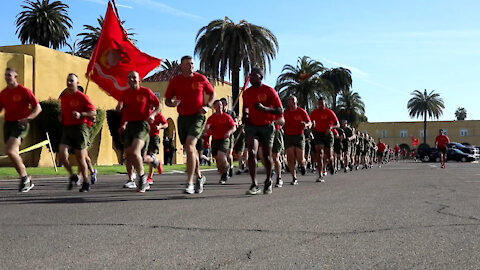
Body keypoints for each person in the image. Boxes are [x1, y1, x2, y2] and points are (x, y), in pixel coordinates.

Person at [165, 55, 215, 194]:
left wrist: (207, 106)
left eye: (192, 63)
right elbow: (167, 100)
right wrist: (172, 103)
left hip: (197, 117)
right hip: (182, 118)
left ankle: (190, 182)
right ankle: (199, 177)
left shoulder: (200, 78)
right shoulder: (175, 81)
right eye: (187, 64)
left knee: (190, 145)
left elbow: (212, 94)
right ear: (181, 66)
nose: (191, 66)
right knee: (190, 149)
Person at [242, 68, 283, 195]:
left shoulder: (269, 91)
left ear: (261, 77)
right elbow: (245, 108)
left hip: (266, 126)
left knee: (266, 155)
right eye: (250, 76)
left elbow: (280, 110)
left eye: (254, 76)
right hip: (252, 126)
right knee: (252, 153)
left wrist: (264, 109)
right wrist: (245, 116)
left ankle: (268, 180)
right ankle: (254, 183)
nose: (252, 78)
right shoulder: (246, 93)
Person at [0, 67, 42, 192]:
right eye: (6, 75)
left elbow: (38, 108)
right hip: (8, 124)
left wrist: (28, 118)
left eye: (9, 75)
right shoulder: (3, 93)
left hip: (21, 124)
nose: (7, 77)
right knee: (12, 153)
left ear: (15, 77)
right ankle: (25, 178)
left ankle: (24, 178)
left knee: (10, 150)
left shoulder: (24, 91)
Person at [119, 71, 161, 193]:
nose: (131, 80)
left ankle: (142, 178)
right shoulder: (125, 94)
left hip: (142, 125)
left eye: (134, 78)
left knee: (135, 151)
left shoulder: (146, 92)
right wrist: (123, 124)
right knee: (132, 156)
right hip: (130, 126)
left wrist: (153, 115)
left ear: (139, 80)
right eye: (129, 78)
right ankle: (153, 160)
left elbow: (158, 105)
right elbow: (124, 111)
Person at [59, 73, 96, 192]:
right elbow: (63, 111)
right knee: (62, 156)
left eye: (71, 81)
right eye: (68, 80)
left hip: (80, 128)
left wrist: (81, 114)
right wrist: (61, 116)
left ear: (77, 83)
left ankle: (85, 181)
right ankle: (72, 175)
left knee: (81, 158)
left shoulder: (82, 97)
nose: (69, 83)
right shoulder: (64, 97)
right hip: (67, 128)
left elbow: (93, 113)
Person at [204, 100, 236, 184]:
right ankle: (224, 173)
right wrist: (207, 130)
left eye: (221, 105)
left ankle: (224, 175)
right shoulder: (211, 118)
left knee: (221, 156)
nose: (220, 106)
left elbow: (234, 127)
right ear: (214, 107)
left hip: (224, 139)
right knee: (218, 161)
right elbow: (207, 127)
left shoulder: (227, 116)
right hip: (215, 140)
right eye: (218, 105)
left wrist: (229, 132)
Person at [283, 96, 311, 186]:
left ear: (296, 102)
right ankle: (294, 177)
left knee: (300, 158)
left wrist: (305, 124)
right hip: (288, 136)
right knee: (290, 157)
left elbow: (309, 122)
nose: (291, 103)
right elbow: (280, 121)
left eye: (293, 101)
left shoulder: (301, 111)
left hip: (299, 136)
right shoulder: (285, 112)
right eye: (290, 101)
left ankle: (303, 164)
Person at [310, 97, 339, 182]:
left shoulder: (329, 112)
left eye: (322, 104)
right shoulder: (314, 113)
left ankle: (332, 165)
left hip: (327, 134)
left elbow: (338, 124)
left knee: (329, 155)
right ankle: (320, 174)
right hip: (318, 134)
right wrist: (311, 127)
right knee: (319, 153)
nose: (320, 105)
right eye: (319, 104)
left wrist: (331, 128)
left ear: (325, 104)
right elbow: (310, 122)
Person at [146, 112, 168, 184]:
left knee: (152, 155)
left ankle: (150, 178)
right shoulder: (144, 112)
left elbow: (166, 124)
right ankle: (157, 163)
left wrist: (159, 127)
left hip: (154, 137)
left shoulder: (158, 115)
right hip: (145, 137)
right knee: (145, 157)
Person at [220, 97, 237, 177]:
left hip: (229, 136)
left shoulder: (231, 113)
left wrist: (232, 123)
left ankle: (231, 166)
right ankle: (225, 169)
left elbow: (236, 123)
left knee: (229, 154)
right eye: (220, 104)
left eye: (223, 103)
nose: (222, 105)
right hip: (220, 136)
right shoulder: (218, 114)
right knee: (222, 155)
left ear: (226, 104)